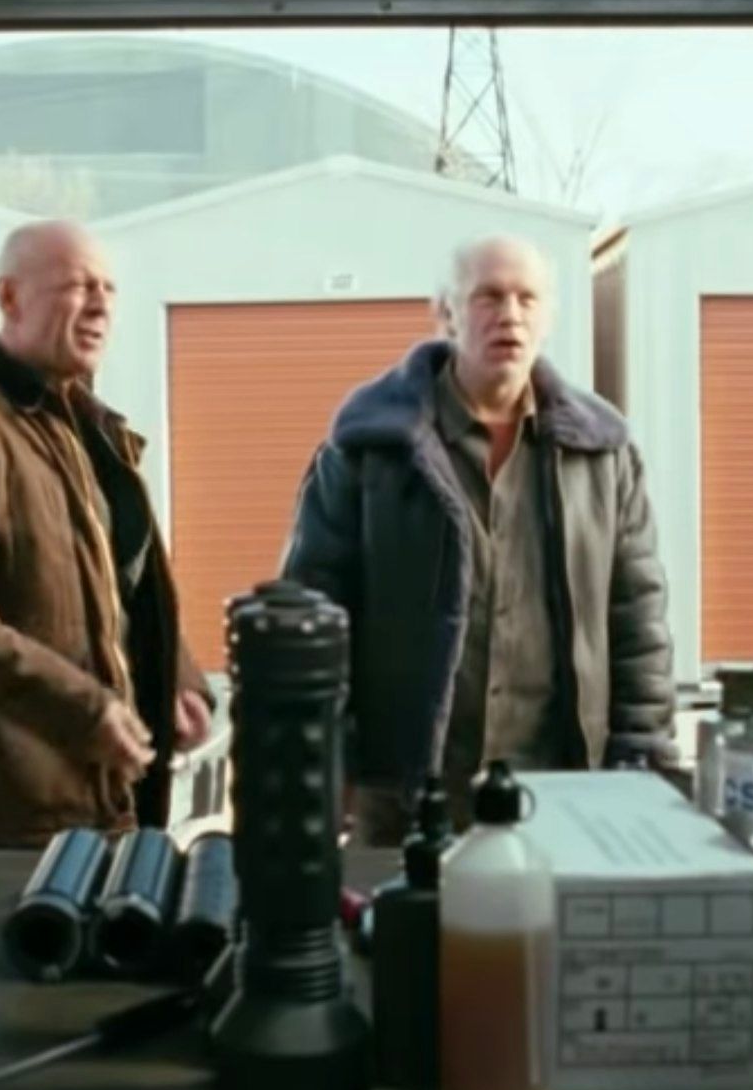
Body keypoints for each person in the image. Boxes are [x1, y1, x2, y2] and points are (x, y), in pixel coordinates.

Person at [281, 234, 673, 843]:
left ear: (548, 317)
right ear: (447, 313)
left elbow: (638, 618)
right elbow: (312, 612)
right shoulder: (370, 451)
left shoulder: (602, 456)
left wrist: (639, 756)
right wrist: (322, 762)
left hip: (558, 790)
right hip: (402, 795)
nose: (509, 315)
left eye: (526, 298)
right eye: (488, 297)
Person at [0, 219, 214, 848]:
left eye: (108, 288)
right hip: (4, 826)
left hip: (110, 810)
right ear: (9, 296)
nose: (101, 305)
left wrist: (177, 682)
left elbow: (121, 586)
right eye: (77, 286)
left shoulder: (94, 431)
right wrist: (81, 712)